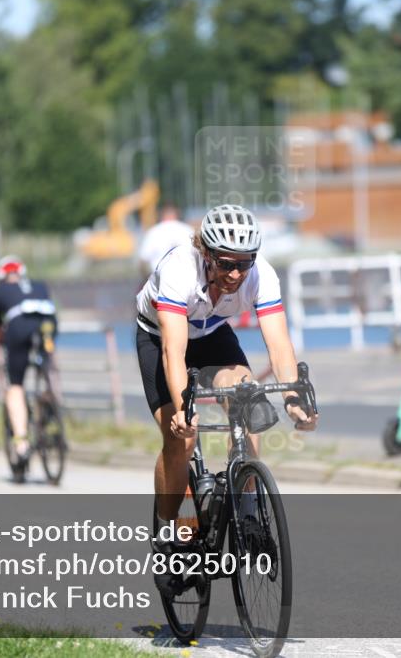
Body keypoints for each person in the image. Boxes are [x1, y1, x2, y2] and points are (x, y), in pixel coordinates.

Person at [135, 204, 317, 555]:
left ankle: (247, 513)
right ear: (206, 253)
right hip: (160, 337)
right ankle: (167, 531)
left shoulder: (262, 275)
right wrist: (183, 411)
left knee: (248, 400)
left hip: (212, 333)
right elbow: (174, 352)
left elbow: (279, 343)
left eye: (243, 263)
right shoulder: (178, 269)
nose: (235, 274)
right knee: (182, 441)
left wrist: (293, 399)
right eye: (225, 263)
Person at [0, 255, 58, 464]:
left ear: (1, 276)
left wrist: (2, 344)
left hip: (18, 328)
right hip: (48, 324)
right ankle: (48, 404)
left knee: (15, 385)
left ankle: (21, 442)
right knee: (45, 363)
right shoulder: (39, 285)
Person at [137, 204, 194, 276]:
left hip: (159, 277)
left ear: (162, 216)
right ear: (176, 215)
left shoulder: (154, 231)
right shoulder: (187, 230)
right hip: (185, 275)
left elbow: (143, 259)